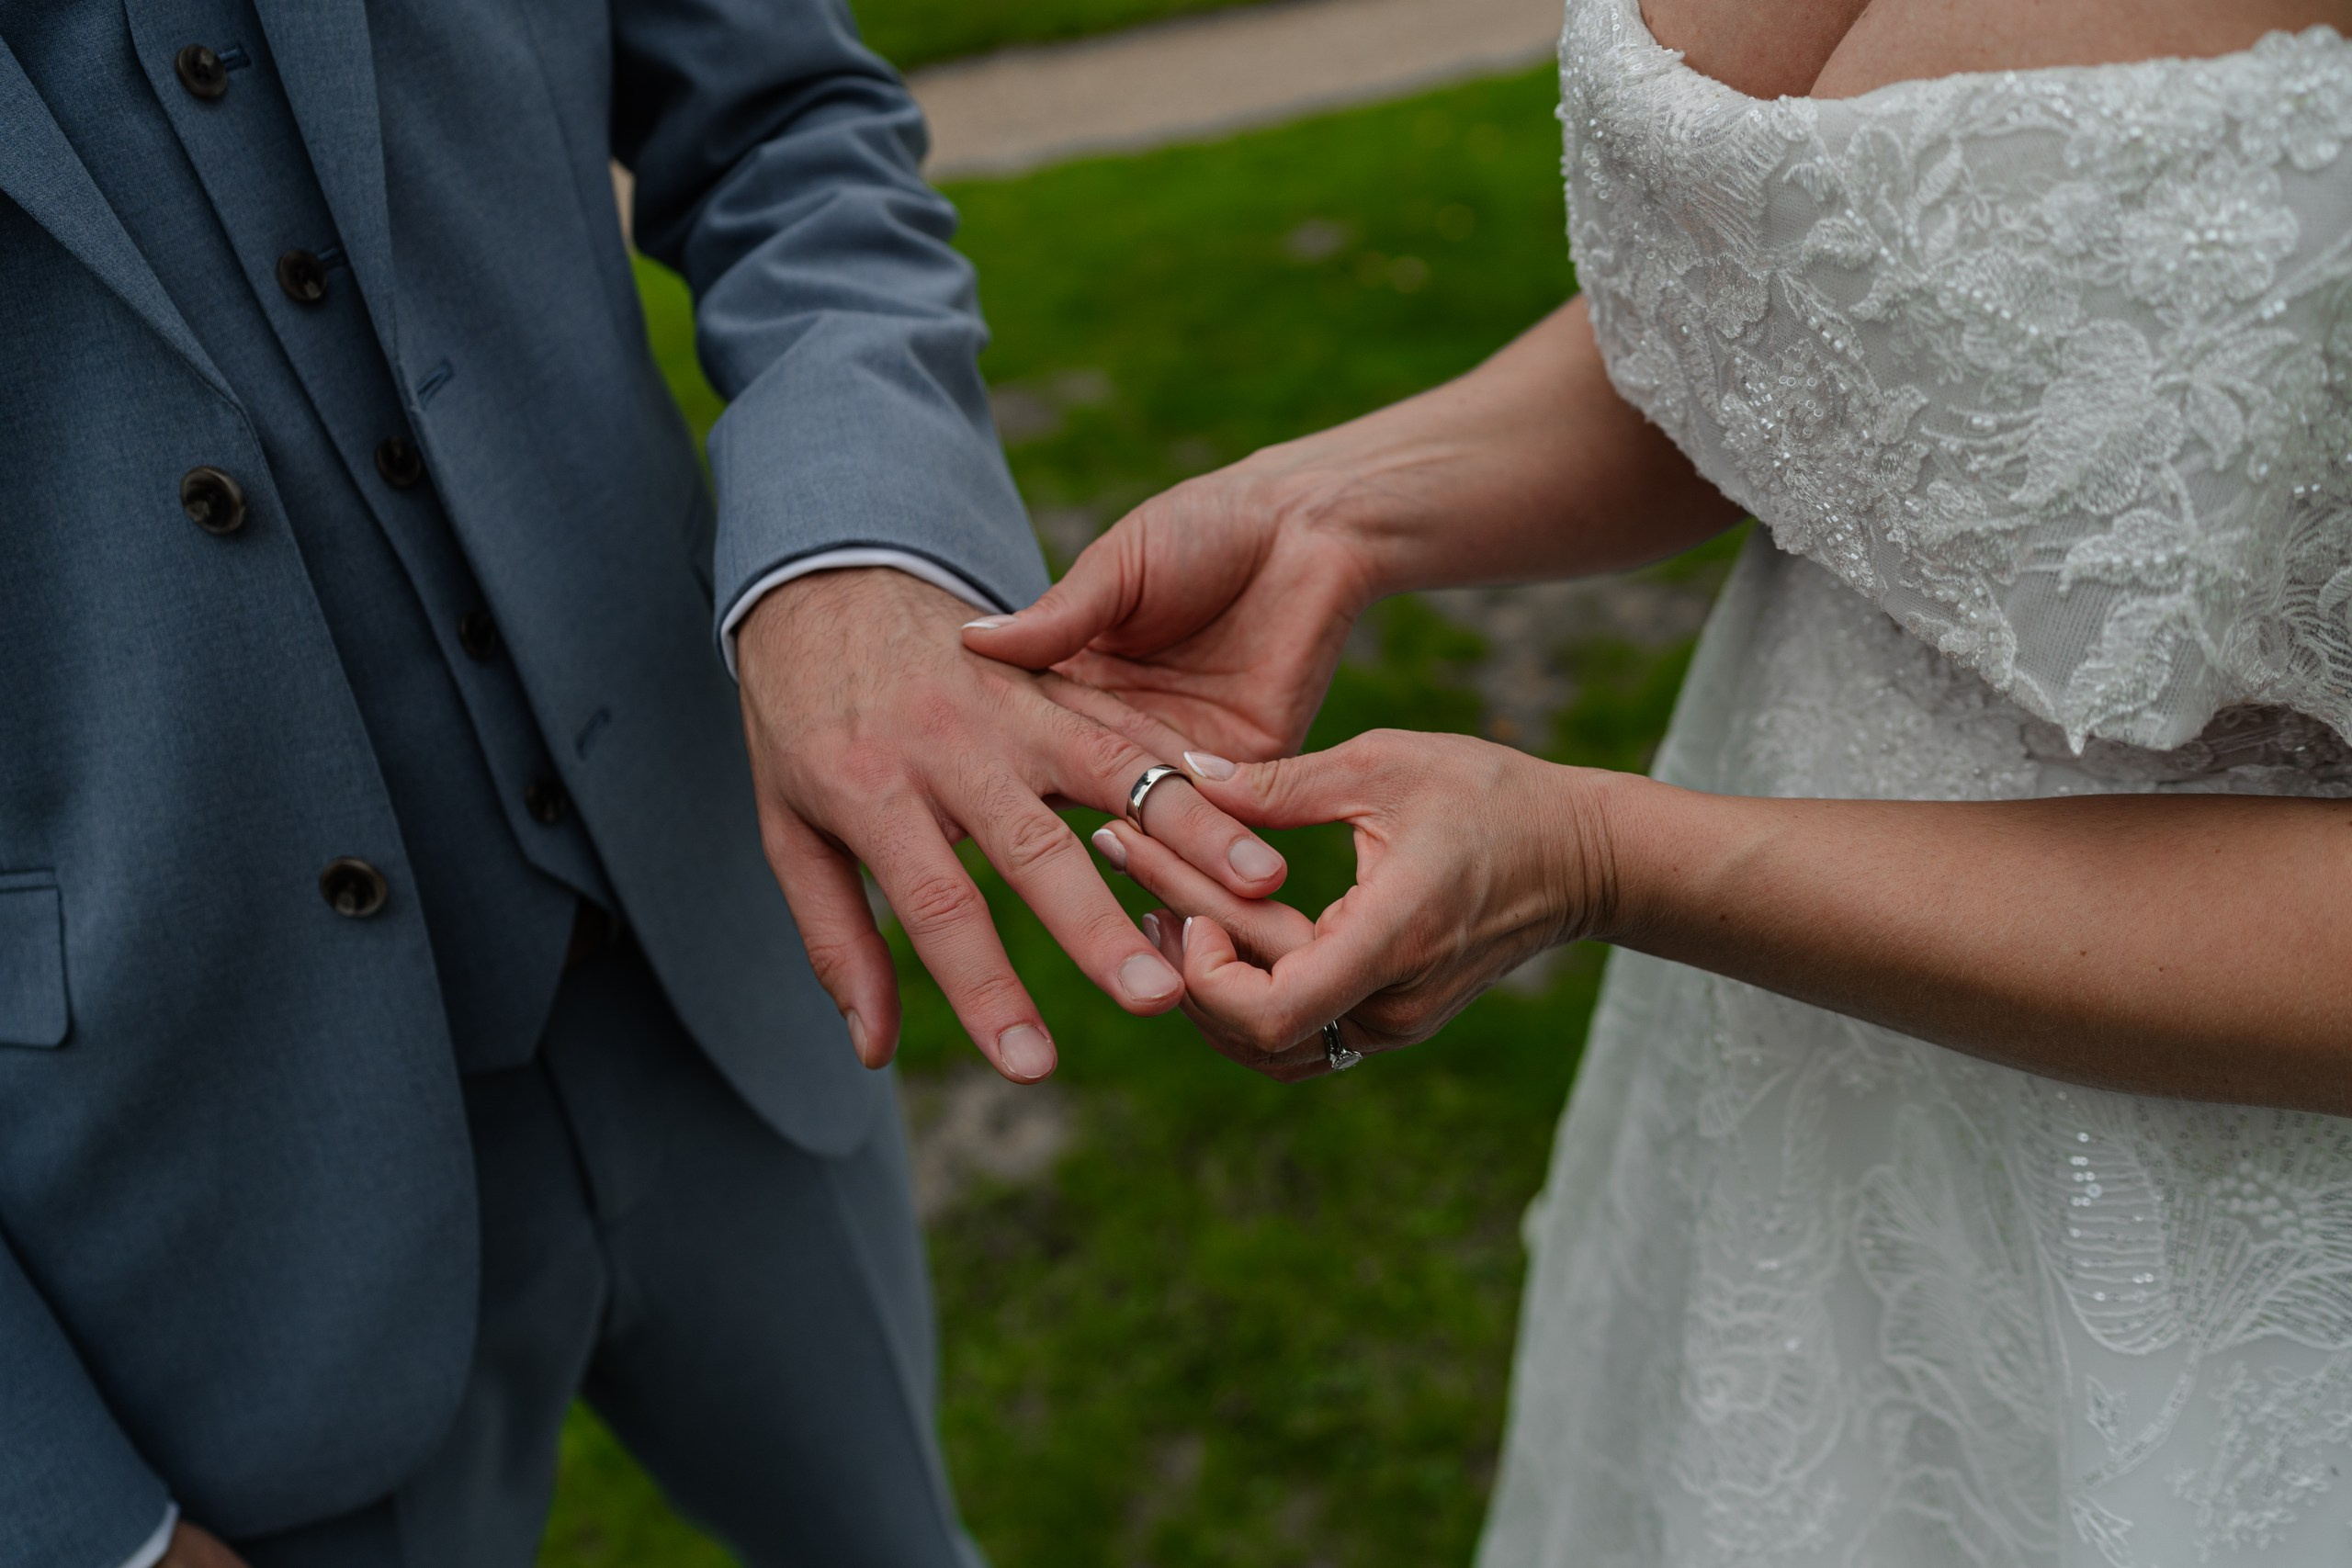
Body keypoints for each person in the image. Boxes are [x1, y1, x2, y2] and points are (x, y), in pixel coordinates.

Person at [964, 0, 2352, 1559]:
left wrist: (1609, 859)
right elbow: (1818, 318)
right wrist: (1327, 513)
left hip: (2202, 1224)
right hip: (1774, 1069)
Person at [0, 2, 1293, 1565]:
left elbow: (786, 120)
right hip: (184, 1174)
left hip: (711, 947)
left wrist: (849, 547)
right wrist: (72, 1523)